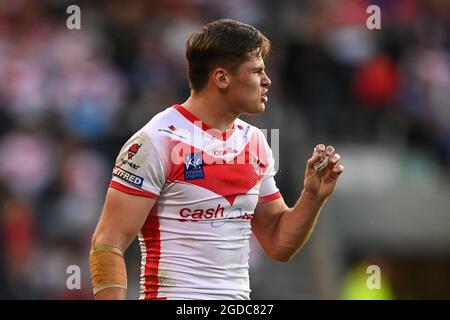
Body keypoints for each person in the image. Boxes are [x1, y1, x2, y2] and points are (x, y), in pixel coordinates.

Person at [89, 19, 344, 300]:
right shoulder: (155, 140)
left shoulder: (255, 141)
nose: (267, 81)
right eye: (257, 71)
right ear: (221, 78)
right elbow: (107, 244)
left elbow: (278, 243)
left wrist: (312, 195)